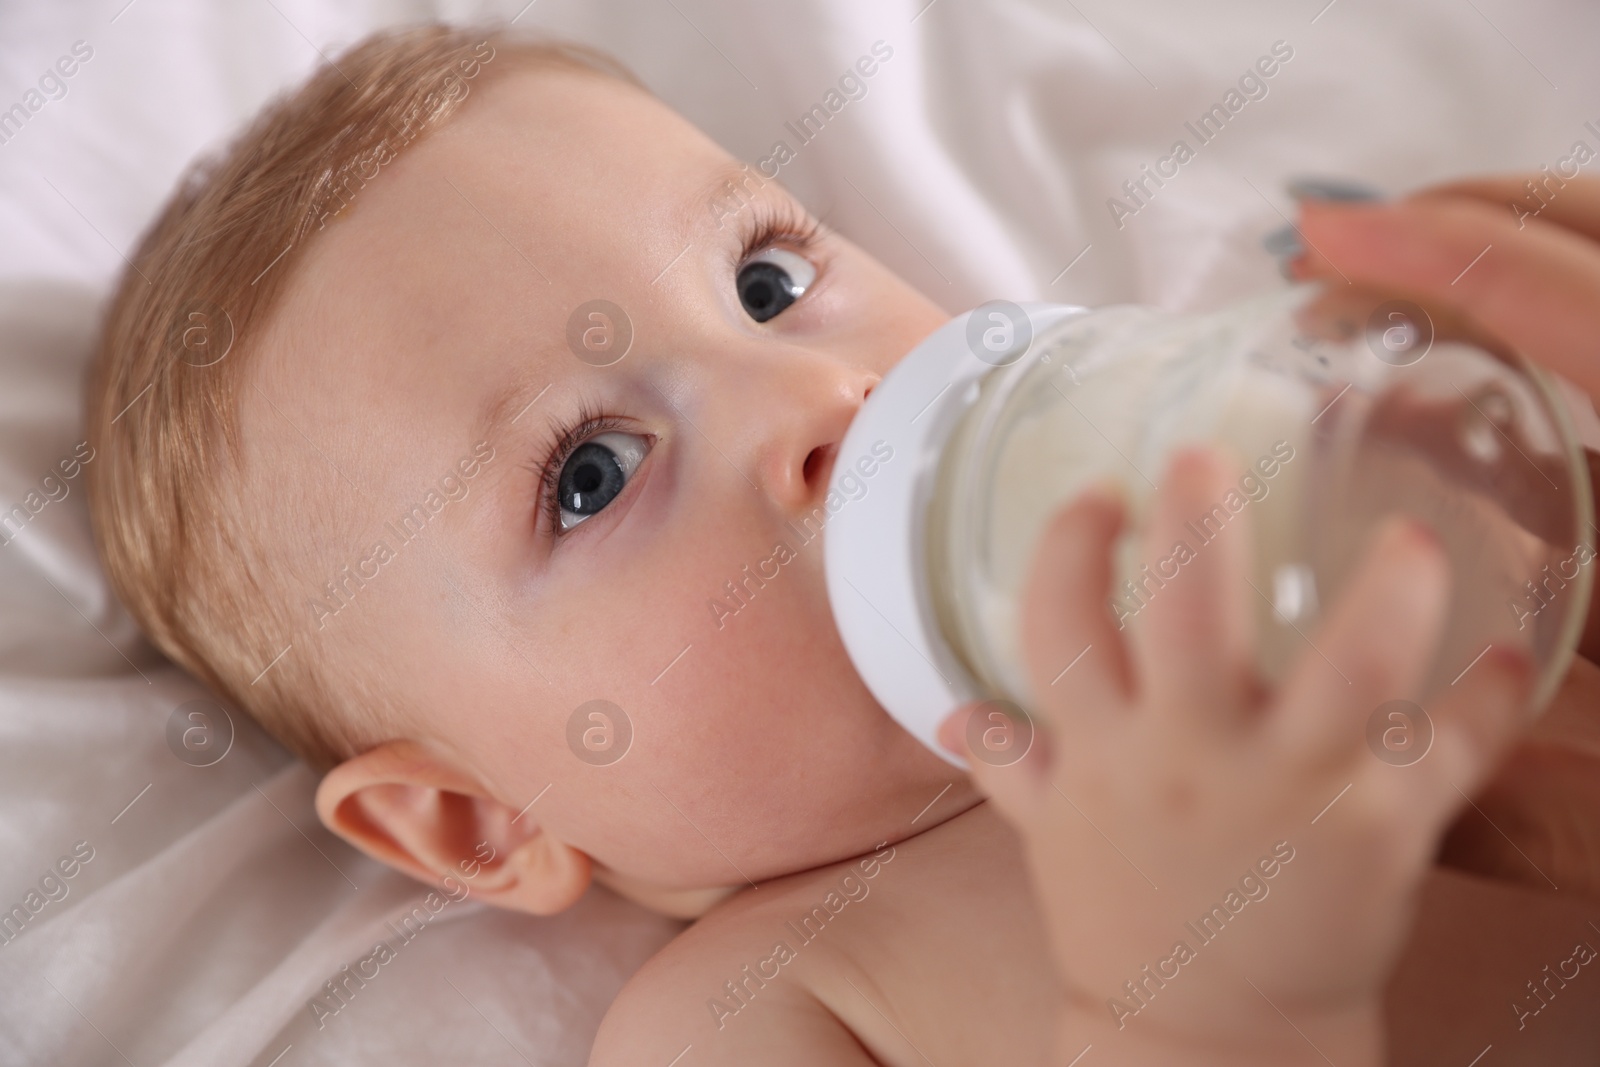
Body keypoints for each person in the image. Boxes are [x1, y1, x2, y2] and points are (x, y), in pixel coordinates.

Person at [83, 24, 1600, 1064]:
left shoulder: (1249, 516)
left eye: (762, 281)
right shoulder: (764, 1008)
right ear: (478, 823)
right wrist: (1217, 1004)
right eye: (594, 474)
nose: (821, 398)